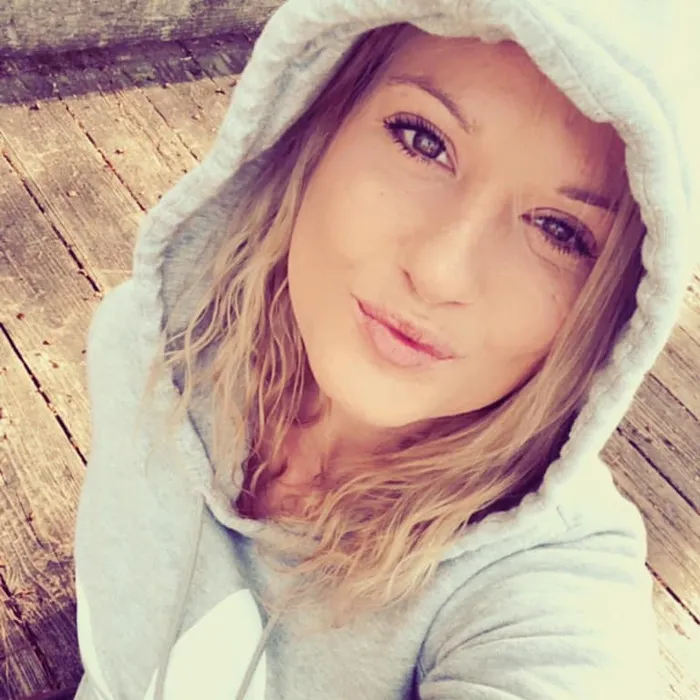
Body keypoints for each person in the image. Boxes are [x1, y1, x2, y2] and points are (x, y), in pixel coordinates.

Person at [70, 1, 699, 699]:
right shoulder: (143, 346)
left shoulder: (548, 580)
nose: (440, 272)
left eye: (559, 231)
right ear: (319, 116)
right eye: (423, 141)